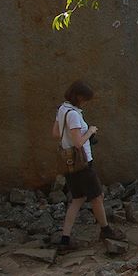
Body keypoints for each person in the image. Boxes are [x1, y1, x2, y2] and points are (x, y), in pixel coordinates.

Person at [52, 80, 124, 252]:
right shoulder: (74, 115)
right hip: (82, 164)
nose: (85, 102)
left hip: (69, 164)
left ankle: (65, 239)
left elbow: (55, 133)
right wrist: (90, 131)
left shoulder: (62, 109)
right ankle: (106, 230)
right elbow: (78, 143)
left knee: (77, 199)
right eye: (85, 99)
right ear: (78, 96)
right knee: (97, 197)